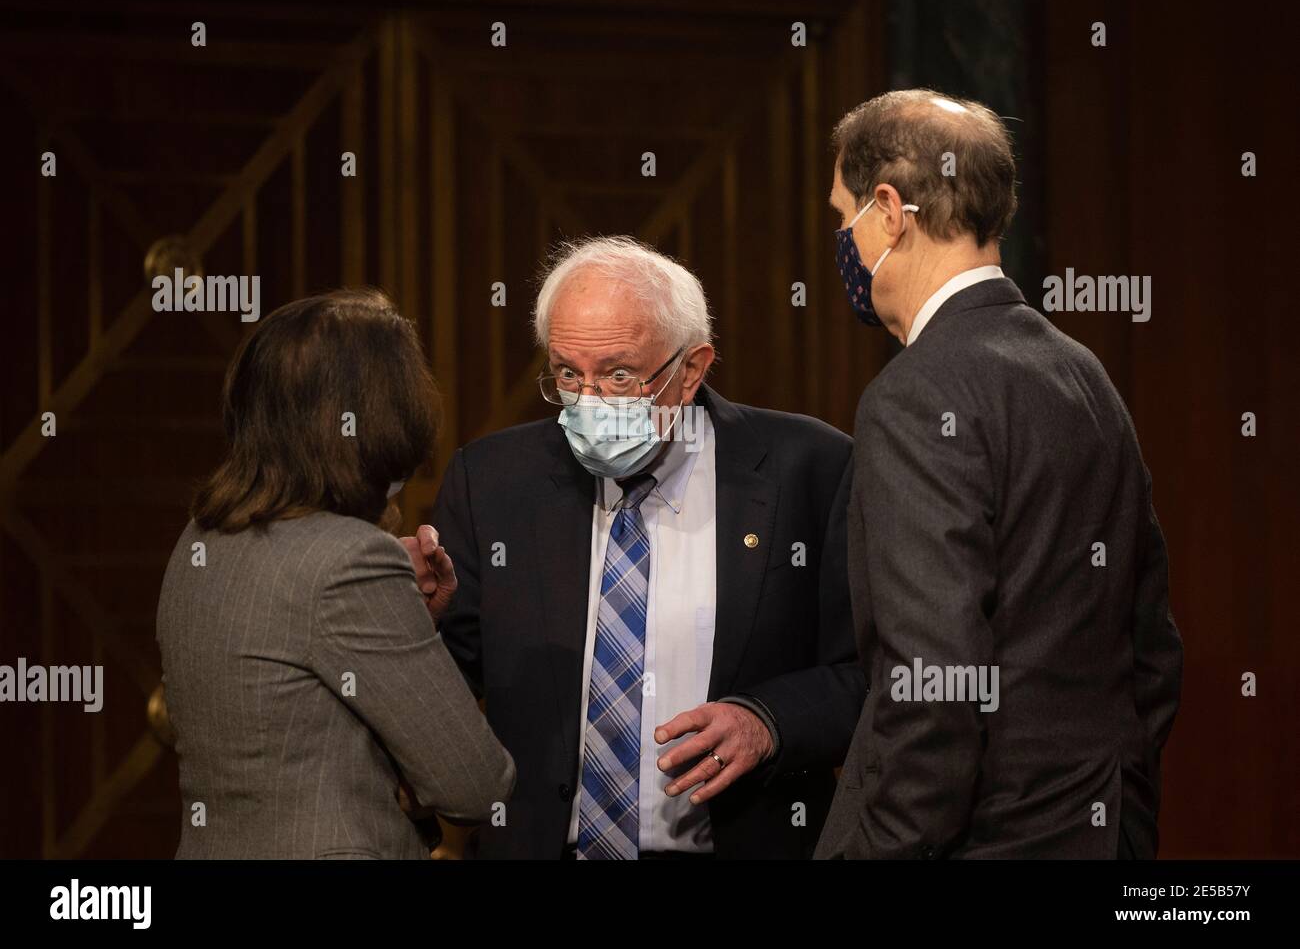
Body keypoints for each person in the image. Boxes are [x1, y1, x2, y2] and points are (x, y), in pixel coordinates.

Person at [407, 236, 864, 859]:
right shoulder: (491, 481)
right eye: (569, 373)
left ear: (691, 369)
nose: (589, 403)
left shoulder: (809, 469)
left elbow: (868, 675)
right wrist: (416, 629)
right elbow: (450, 696)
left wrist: (769, 722)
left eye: (618, 375)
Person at [814, 90, 1183, 859]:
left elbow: (934, 683)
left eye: (842, 215)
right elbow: (1150, 649)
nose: (842, 240)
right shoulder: (1081, 370)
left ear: (890, 210)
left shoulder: (915, 394)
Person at [156, 288, 515, 859]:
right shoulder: (352, 561)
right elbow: (473, 788)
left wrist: (400, 619)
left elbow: (292, 718)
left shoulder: (199, 539)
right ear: (385, 416)